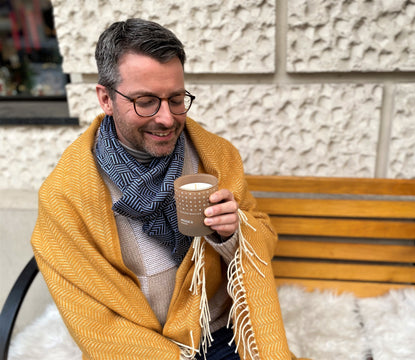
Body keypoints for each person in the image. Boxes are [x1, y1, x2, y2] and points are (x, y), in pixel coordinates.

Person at [31, 18, 295, 360]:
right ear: (106, 99)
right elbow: (91, 321)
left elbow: (265, 242)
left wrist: (232, 234)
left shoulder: (216, 157)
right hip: (134, 349)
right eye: (145, 102)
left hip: (222, 334)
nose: (167, 118)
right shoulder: (65, 197)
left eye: (176, 99)